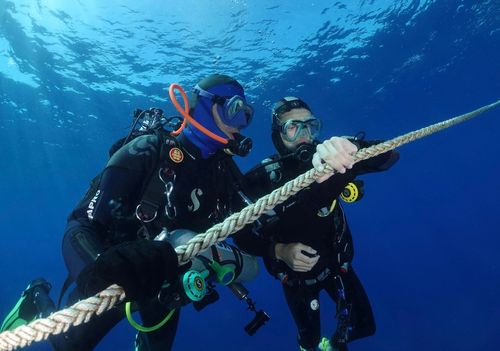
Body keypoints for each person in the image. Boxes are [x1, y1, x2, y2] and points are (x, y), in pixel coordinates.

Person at [1, 73, 257, 351]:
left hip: (164, 276)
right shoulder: (149, 149)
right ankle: (36, 297)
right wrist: (100, 267)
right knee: (68, 345)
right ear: (206, 106)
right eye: (234, 111)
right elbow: (80, 223)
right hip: (115, 269)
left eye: (246, 115)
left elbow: (255, 226)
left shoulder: (225, 175)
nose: (240, 125)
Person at [234, 96, 399, 351]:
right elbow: (240, 235)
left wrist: (352, 145)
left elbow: (389, 156)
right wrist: (279, 251)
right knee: (309, 341)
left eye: (310, 125)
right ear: (278, 135)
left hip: (338, 267)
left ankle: (332, 346)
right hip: (297, 280)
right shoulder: (260, 179)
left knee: (365, 326)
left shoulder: (333, 158)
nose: (304, 135)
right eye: (292, 127)